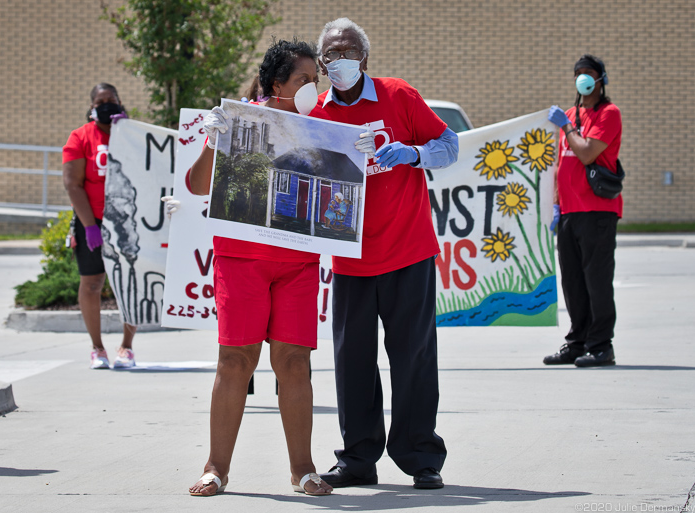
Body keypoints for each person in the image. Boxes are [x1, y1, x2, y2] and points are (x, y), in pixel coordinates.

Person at [184, 38, 374, 497]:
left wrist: (359, 155)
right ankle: (216, 468)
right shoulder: (238, 119)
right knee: (235, 361)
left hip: (297, 263)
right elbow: (196, 186)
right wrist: (214, 140)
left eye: (316, 79)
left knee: (293, 362)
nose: (314, 87)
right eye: (303, 80)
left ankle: (303, 469)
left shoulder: (324, 124)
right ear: (275, 84)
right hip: (242, 259)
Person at [311, 18, 459, 490]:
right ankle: (357, 458)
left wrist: (414, 154)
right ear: (321, 63)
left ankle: (420, 456)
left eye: (349, 51)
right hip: (350, 259)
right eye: (332, 54)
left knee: (413, 357)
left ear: (365, 58)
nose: (341, 61)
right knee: (352, 360)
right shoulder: (316, 115)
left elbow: (448, 145)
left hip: (408, 250)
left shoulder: (399, 96)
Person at [544, 55, 622, 368]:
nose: (582, 79)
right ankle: (577, 341)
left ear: (601, 78)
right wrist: (555, 203)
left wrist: (566, 126)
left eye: (588, 73)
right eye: (578, 74)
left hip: (597, 210)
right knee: (573, 281)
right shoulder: (571, 114)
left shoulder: (608, 114)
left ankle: (602, 345)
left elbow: (588, 153)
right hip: (570, 211)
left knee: (597, 280)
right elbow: (560, 164)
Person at [62, 83, 137, 369]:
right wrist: (90, 225)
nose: (107, 104)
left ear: (120, 102)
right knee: (92, 283)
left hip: (127, 223)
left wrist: (130, 133)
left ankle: (126, 347)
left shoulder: (132, 134)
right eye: (100, 101)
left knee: (129, 283)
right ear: (92, 107)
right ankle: (97, 348)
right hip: (91, 223)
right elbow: (72, 184)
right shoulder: (80, 137)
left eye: (112, 100)